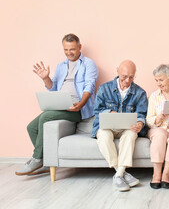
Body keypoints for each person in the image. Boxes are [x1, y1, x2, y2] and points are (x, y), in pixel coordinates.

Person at [16, 33, 99, 176]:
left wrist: (80, 104)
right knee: (31, 128)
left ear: (79, 47)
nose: (69, 53)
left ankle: (37, 159)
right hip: (61, 105)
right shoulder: (61, 66)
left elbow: (89, 87)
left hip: (78, 108)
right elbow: (53, 88)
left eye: (72, 49)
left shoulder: (89, 64)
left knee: (46, 117)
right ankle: (47, 161)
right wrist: (46, 78)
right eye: (66, 50)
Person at [91, 60, 148, 192]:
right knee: (103, 135)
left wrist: (140, 123)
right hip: (107, 127)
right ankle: (122, 173)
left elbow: (142, 114)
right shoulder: (104, 88)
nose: (127, 80)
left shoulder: (140, 92)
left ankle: (118, 175)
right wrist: (110, 112)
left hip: (127, 129)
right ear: (117, 71)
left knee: (131, 135)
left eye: (131, 77)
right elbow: (97, 111)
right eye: (124, 76)